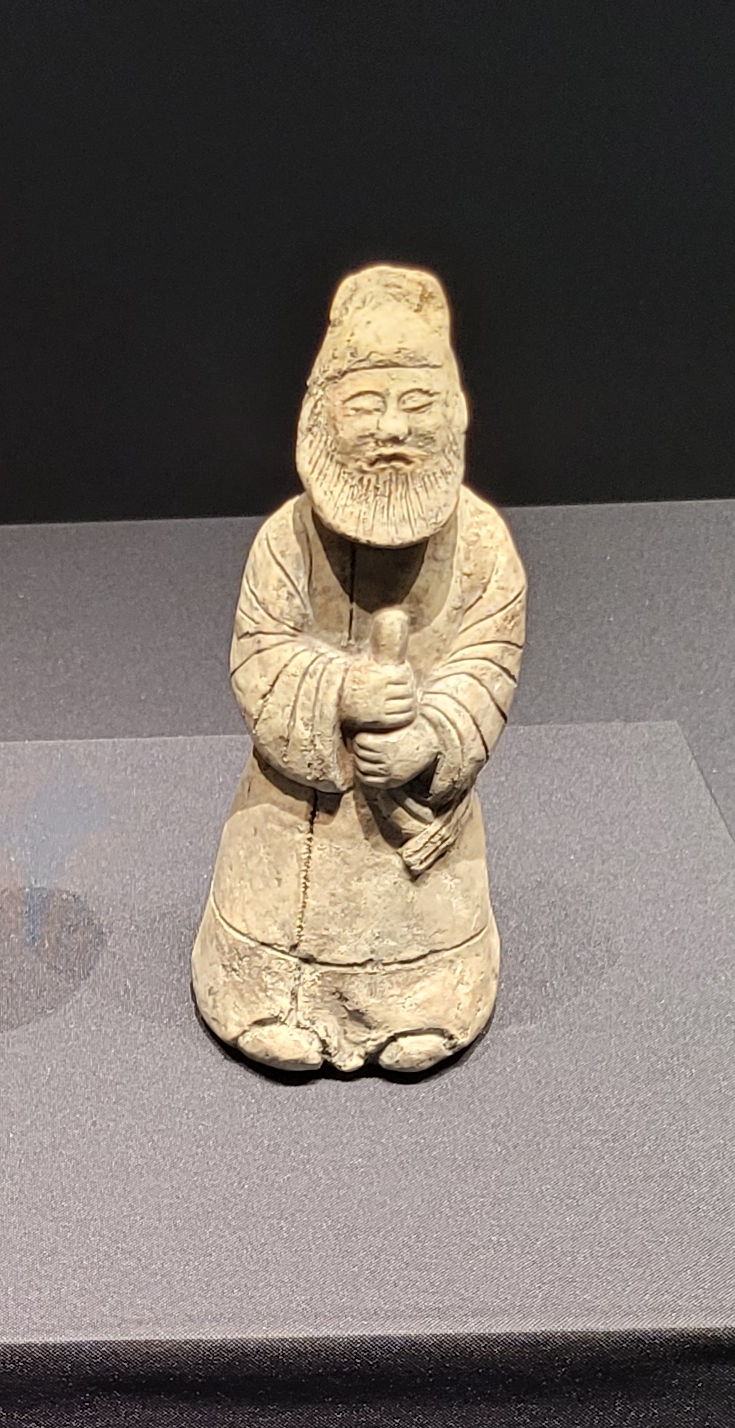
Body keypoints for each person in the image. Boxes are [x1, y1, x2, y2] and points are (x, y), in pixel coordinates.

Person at [193, 266, 525, 1077]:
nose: (391, 429)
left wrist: (431, 738)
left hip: (418, 824)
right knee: (274, 919)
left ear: (455, 412)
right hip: (295, 816)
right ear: (321, 416)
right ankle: (270, 998)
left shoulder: (483, 546)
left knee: (420, 937)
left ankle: (425, 1002)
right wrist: (341, 690)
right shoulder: (286, 540)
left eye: (417, 404)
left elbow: (488, 659)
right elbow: (259, 652)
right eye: (366, 403)